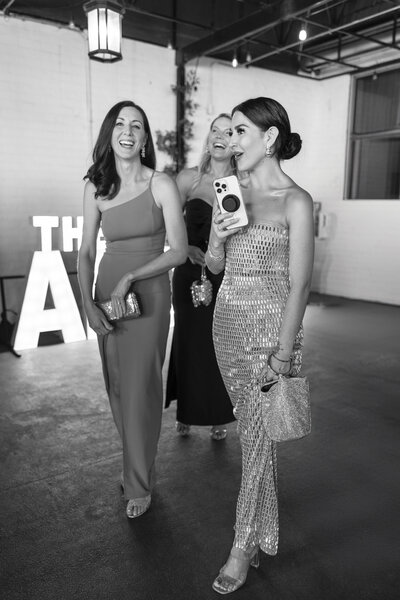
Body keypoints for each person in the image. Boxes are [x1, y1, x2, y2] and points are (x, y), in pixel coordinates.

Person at [206, 97, 314, 594]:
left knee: (254, 441)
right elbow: (214, 267)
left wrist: (283, 355)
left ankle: (241, 546)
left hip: (271, 337)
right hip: (226, 327)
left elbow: (299, 287)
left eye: (241, 132)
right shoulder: (230, 189)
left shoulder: (296, 201)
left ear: (269, 139)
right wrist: (215, 239)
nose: (232, 142)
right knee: (257, 436)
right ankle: (262, 529)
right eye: (230, 133)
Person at [78, 100, 187, 519]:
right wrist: (86, 301)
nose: (128, 131)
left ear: (144, 139)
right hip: (107, 296)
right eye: (120, 124)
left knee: (141, 387)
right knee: (119, 386)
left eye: (136, 125)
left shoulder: (160, 183)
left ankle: (138, 483)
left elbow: (177, 251)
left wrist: (130, 277)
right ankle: (138, 466)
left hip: (149, 297)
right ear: (110, 133)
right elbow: (87, 250)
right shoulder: (95, 187)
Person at [165, 114, 235, 440]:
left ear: (236, 141)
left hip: (225, 276)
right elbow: (167, 224)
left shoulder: (243, 183)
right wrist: (185, 247)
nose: (220, 135)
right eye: (215, 129)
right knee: (189, 342)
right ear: (208, 138)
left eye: (229, 131)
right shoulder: (188, 179)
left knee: (218, 344)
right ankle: (187, 410)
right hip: (190, 273)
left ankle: (219, 413)